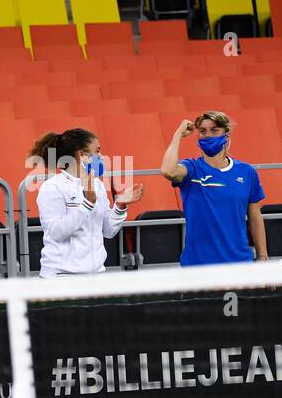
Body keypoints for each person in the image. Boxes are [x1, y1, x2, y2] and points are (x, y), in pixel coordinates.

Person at [30, 128, 144, 278]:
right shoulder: (52, 187)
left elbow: (108, 231)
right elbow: (57, 232)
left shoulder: (98, 185)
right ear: (82, 155)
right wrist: (87, 204)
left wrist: (120, 206)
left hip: (97, 275)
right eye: (97, 151)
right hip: (61, 278)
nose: (101, 157)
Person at [161, 111, 269, 265]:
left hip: (239, 263)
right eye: (202, 131)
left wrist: (262, 256)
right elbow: (168, 170)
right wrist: (178, 134)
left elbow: (254, 216)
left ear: (226, 135)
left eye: (214, 130)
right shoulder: (191, 169)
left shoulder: (247, 171)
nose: (208, 135)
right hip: (198, 265)